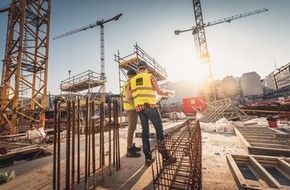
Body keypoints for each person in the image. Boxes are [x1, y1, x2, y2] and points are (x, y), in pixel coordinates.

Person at [129, 61, 176, 167]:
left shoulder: (132, 81)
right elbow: (159, 92)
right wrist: (167, 93)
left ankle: (148, 159)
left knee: (145, 133)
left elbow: (129, 95)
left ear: (138, 70)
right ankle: (165, 157)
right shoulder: (150, 77)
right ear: (146, 69)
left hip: (140, 109)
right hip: (150, 106)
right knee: (159, 130)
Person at [122, 69, 141, 157]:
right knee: (131, 128)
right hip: (131, 109)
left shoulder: (127, 83)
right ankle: (129, 150)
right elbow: (128, 98)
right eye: (134, 76)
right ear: (131, 76)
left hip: (130, 108)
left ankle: (131, 145)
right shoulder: (129, 83)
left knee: (132, 128)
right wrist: (136, 106)